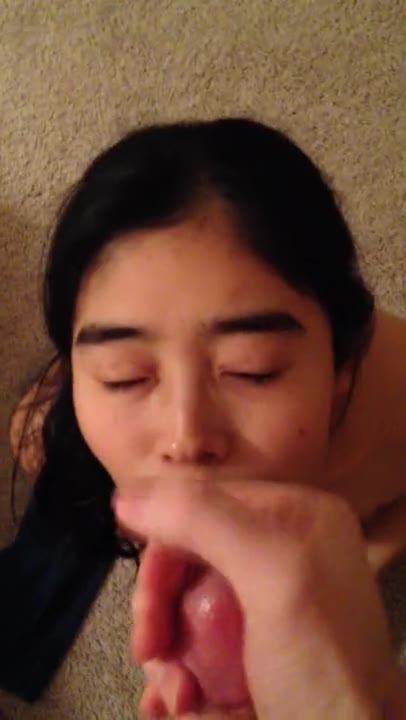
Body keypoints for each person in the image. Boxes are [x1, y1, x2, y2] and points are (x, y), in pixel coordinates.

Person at [5, 118, 406, 712]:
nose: (185, 437)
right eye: (123, 375)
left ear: (341, 363)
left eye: (252, 369)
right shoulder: (46, 434)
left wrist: (351, 580)